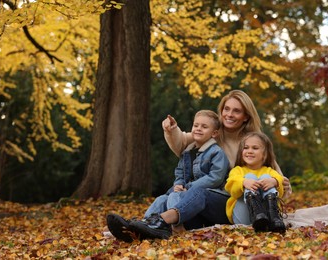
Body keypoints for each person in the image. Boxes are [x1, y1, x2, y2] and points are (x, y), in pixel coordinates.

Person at [107, 90, 292, 240]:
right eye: (226, 109)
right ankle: (137, 228)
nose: (229, 114)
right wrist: (172, 130)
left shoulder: (252, 142)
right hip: (209, 202)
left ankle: (160, 221)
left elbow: (276, 177)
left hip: (231, 202)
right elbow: (184, 140)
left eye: (236, 111)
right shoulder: (214, 133)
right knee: (166, 197)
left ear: (245, 116)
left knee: (198, 192)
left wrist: (276, 183)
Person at [107, 110, 230, 241]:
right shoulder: (187, 151)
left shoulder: (216, 153)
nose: (198, 129)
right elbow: (180, 172)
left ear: (214, 133)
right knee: (161, 199)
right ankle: (143, 226)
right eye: (196, 125)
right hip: (185, 195)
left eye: (204, 127)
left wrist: (188, 187)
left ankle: (175, 227)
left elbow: (215, 178)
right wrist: (179, 184)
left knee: (174, 195)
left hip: (204, 200)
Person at [225, 132, 286, 233]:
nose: (249, 151)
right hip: (243, 216)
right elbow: (230, 187)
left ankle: (273, 217)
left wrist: (275, 181)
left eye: (255, 148)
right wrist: (243, 182)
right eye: (246, 148)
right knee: (249, 177)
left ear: (265, 154)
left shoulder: (270, 171)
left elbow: (280, 186)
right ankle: (257, 214)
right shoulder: (237, 170)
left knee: (267, 177)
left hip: (267, 217)